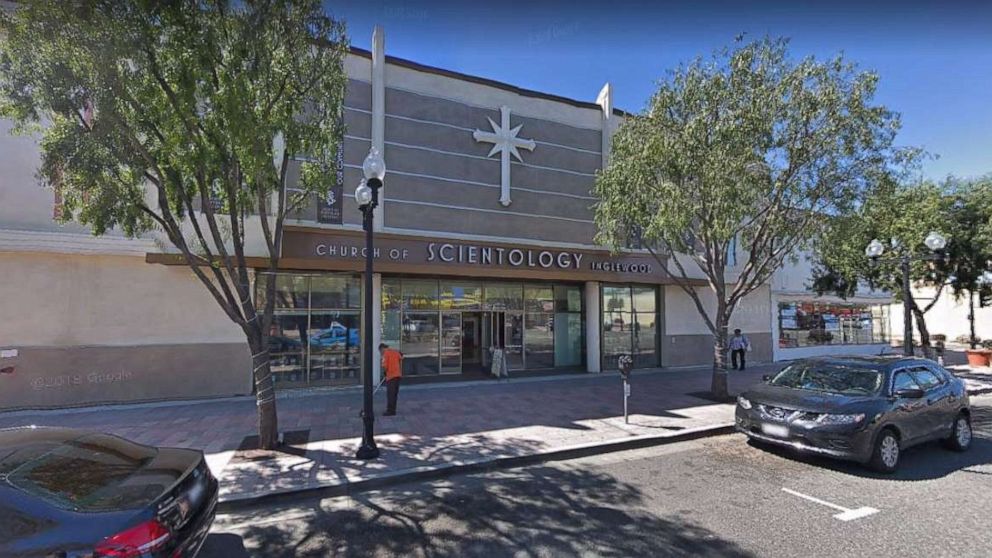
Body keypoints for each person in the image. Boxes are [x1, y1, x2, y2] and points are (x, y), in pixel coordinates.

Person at [380, 343, 403, 416]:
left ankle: (390, 411)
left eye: (380, 351)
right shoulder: (395, 352)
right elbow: (401, 357)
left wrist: (384, 373)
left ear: (382, 349)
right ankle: (393, 409)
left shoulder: (385, 354)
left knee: (390, 394)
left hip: (391, 376)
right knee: (395, 394)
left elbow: (384, 366)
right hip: (398, 375)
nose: (381, 353)